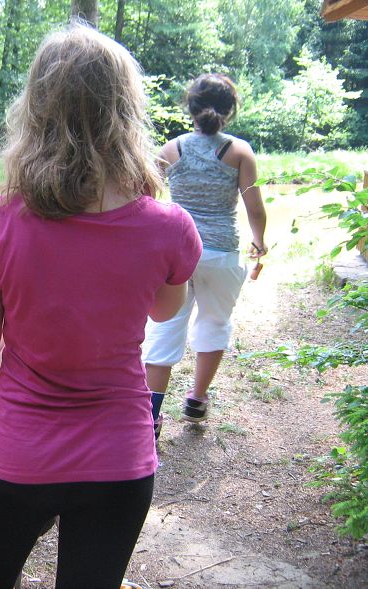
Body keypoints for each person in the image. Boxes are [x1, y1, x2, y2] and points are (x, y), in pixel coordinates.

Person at [0, 22, 202, 589]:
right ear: (125, 112)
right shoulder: (169, 226)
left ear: (34, 109)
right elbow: (165, 311)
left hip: (20, 453)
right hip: (120, 456)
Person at [143, 73, 267, 435]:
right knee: (215, 323)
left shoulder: (170, 150)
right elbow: (254, 208)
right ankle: (196, 402)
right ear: (230, 110)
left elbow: (142, 196)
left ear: (191, 107)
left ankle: (150, 417)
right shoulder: (239, 152)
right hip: (221, 254)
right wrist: (259, 241)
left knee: (164, 328)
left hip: (176, 252)